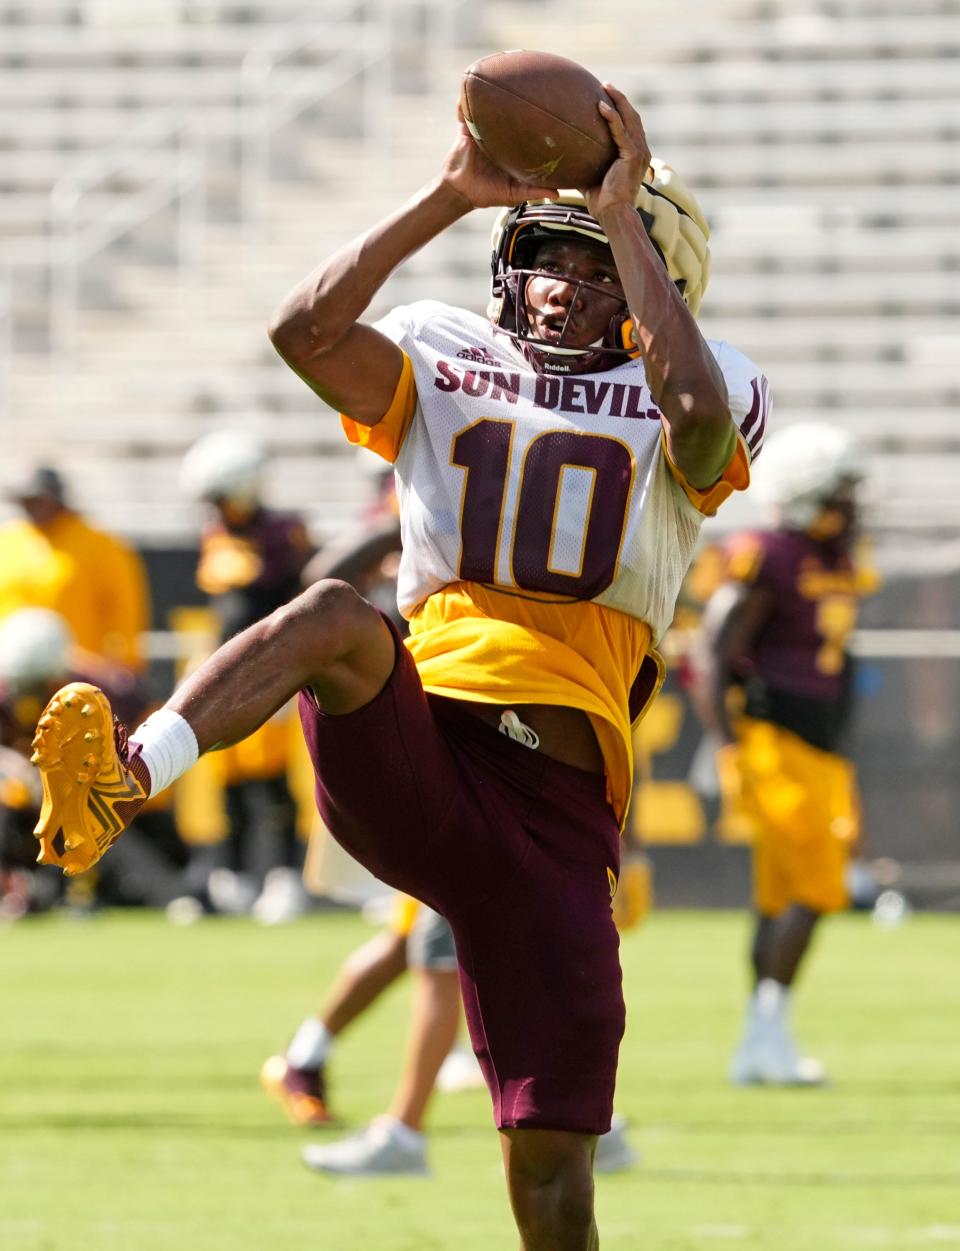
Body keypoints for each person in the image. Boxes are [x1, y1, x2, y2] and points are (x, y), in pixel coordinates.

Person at [30, 83, 768, 1249]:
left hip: (555, 813)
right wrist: (450, 195)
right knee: (332, 614)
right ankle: (127, 778)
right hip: (422, 739)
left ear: (651, 282)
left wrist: (621, 213)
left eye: (593, 266)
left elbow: (703, 427)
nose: (557, 285)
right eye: (543, 257)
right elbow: (301, 336)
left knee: (556, 1170)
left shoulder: (697, 375)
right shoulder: (445, 348)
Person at [693, 423, 872, 1087]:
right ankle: (764, 1033)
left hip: (817, 745)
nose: (853, 505)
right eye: (843, 491)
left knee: (786, 896)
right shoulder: (767, 554)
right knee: (814, 888)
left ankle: (764, 1032)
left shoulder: (832, 555)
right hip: (777, 740)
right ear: (808, 492)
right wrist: (729, 746)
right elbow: (712, 649)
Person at [178, 430, 315, 918]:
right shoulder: (217, 531)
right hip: (224, 664)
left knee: (271, 779)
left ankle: (284, 877)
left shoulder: (282, 532)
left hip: (268, 666)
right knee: (227, 776)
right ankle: (229, 878)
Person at [0, 464, 150, 673]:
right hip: (11, 675)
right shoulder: (8, 541)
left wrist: (123, 667)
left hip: (79, 674)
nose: (31, 506)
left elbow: (124, 611)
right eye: (25, 500)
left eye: (37, 499)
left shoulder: (99, 544)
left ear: (56, 498)